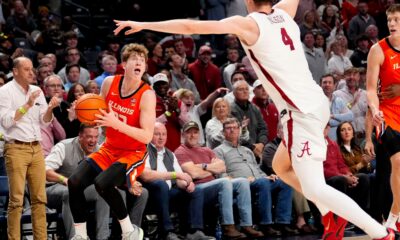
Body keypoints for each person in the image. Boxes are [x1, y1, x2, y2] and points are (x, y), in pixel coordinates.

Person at [113, 0, 393, 238]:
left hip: (301, 112)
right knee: (281, 165)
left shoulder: (249, 24)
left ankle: (380, 233)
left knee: (314, 186)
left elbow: (190, 27)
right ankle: (330, 213)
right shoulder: (284, 10)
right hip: (315, 103)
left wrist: (143, 24)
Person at [67, 43, 156, 240]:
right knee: (74, 182)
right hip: (109, 148)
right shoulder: (109, 83)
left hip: (133, 153)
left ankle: (129, 231)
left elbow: (147, 137)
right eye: (135, 59)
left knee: (102, 183)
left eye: (142, 61)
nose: (139, 63)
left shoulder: (147, 95)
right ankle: (80, 235)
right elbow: (96, 115)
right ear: (124, 64)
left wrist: (116, 122)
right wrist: (79, 114)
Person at [0, 57, 60, 240]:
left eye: (32, 69)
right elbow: (7, 121)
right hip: (16, 148)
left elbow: (44, 120)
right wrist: (27, 105)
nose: (31, 72)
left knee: (40, 199)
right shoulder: (5, 91)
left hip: (37, 148)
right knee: (17, 200)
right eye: (26, 69)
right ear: (16, 71)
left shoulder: (37, 90)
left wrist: (50, 108)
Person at [366, 4, 400, 232]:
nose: (392, 24)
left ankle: (394, 217)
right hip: (386, 113)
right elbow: (369, 88)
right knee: (398, 163)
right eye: (389, 20)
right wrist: (374, 108)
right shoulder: (377, 50)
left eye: (396, 19)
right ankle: (393, 218)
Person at [45, 124, 110, 240]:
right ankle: (76, 237)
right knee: (70, 192)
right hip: (53, 188)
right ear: (80, 136)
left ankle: (103, 237)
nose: (93, 141)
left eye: (96, 137)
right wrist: (64, 180)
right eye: (89, 137)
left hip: (80, 190)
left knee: (104, 191)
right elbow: (45, 170)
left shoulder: (99, 150)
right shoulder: (64, 146)